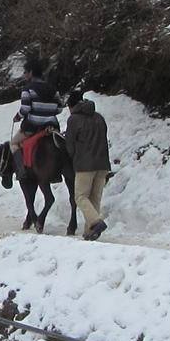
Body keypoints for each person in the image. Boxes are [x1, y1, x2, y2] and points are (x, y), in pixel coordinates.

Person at [63, 92, 112, 241]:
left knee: (80, 196)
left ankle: (96, 222)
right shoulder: (99, 117)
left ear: (72, 106)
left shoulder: (73, 120)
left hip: (85, 164)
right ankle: (90, 231)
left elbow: (69, 145)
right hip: (102, 163)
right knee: (94, 197)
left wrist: (73, 157)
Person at [7, 61, 61, 172]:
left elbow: (25, 109)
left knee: (13, 143)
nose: (24, 74)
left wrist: (17, 117)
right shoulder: (53, 89)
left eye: (25, 72)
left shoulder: (28, 89)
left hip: (33, 126)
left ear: (31, 72)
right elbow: (59, 108)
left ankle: (21, 171)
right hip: (52, 126)